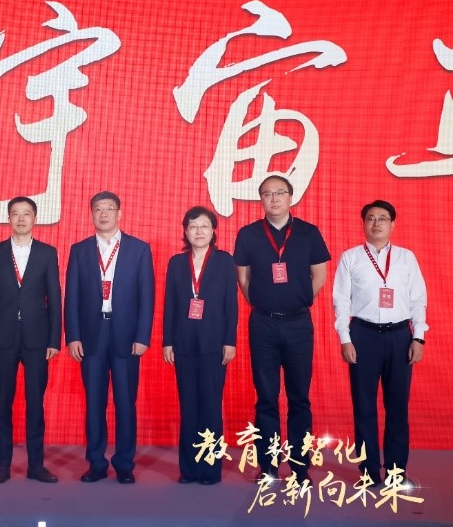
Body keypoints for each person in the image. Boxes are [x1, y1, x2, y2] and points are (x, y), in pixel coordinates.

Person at [233, 175, 330, 483]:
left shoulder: (309, 233)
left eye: (279, 193)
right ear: (260, 199)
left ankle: (300, 467)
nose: (273, 199)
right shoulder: (248, 234)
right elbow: (243, 279)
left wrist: (296, 300)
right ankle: (269, 466)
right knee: (266, 398)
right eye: (267, 194)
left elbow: (319, 276)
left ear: (291, 197)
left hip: (298, 324)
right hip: (263, 324)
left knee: (299, 397)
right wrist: (263, 302)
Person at [332, 200, 427, 488]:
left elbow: (418, 300)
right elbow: (341, 301)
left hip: (400, 337)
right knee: (364, 407)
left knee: (397, 406)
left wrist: (418, 336)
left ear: (392, 224)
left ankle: (397, 471)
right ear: (363, 224)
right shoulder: (350, 258)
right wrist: (345, 338)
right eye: (371, 218)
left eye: (382, 218)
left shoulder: (406, 258)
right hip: (363, 335)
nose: (376, 224)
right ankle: (369, 471)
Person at [65, 191, 155, 484]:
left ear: (120, 213)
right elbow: (72, 296)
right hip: (91, 335)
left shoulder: (139, 249)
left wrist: (143, 335)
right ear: (91, 214)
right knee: (95, 402)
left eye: (109, 208)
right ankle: (96, 462)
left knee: (126, 401)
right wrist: (73, 335)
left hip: (126, 335)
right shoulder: (79, 250)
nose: (103, 214)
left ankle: (125, 463)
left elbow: (147, 296)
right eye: (98, 209)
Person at [0, 197, 61, 484]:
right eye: (16, 214)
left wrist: (54, 340)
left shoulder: (47, 253)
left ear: (35, 219)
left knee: (35, 403)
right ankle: (3, 465)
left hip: (38, 338)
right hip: (3, 338)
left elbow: (55, 299)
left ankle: (36, 465)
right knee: (3, 402)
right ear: (9, 218)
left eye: (27, 214)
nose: (21, 219)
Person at [163, 206, 237, 485]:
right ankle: (188, 469)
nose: (199, 231)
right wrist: (167, 341)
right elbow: (170, 304)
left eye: (204, 226)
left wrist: (229, 341)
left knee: (210, 407)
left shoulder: (224, 261)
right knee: (189, 406)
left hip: (214, 344)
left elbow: (231, 304)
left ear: (213, 230)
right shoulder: (176, 263)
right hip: (183, 343)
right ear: (185, 231)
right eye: (193, 226)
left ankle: (210, 470)